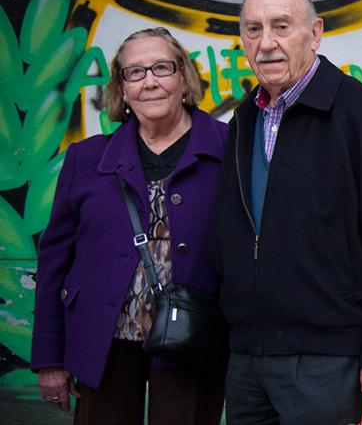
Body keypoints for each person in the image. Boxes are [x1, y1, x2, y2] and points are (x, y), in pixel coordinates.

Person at [208, 0, 362, 424]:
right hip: (249, 358)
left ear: (315, 33)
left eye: (281, 26)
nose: (266, 43)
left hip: (326, 361)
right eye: (253, 29)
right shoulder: (245, 117)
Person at [30, 27, 228, 424]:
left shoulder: (229, 149)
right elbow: (54, 262)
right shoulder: (86, 159)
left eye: (161, 67)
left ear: (183, 76)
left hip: (194, 335)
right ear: (121, 88)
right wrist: (49, 357)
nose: (149, 82)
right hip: (103, 338)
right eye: (134, 72)